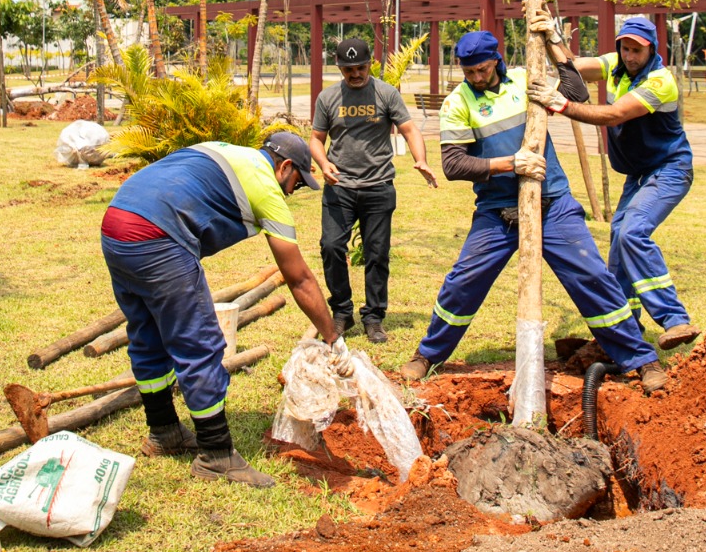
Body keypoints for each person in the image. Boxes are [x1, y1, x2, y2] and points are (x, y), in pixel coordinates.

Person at [401, 30, 665, 393]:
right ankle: (427, 355)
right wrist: (511, 163)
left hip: (553, 201)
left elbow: (577, 94)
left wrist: (554, 46)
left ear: (496, 59)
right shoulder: (458, 102)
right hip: (497, 210)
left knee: (592, 277)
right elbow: (454, 164)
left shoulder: (528, 79)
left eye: (481, 69)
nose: (476, 78)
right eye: (469, 72)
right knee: (463, 281)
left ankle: (641, 360)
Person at [99, 131, 351, 487]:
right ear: (285, 167)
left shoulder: (226, 150)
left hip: (116, 224)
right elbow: (300, 280)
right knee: (199, 342)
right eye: (297, 182)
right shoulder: (266, 188)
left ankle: (164, 432)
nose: (292, 192)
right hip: (157, 236)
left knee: (149, 334)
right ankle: (216, 455)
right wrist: (332, 336)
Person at [529, 11, 699, 351]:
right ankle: (626, 324)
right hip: (638, 175)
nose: (630, 56)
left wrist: (559, 104)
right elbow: (574, 68)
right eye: (625, 49)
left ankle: (675, 319)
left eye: (637, 50)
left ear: (651, 50)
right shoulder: (616, 64)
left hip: (669, 169)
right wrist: (553, 36)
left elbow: (613, 115)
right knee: (619, 241)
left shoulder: (660, 81)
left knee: (632, 231)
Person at [311, 36, 438, 344]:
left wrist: (420, 160)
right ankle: (342, 311)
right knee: (331, 247)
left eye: (360, 67)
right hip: (340, 186)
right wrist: (324, 163)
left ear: (370, 64)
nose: (355, 74)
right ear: (339, 68)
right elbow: (316, 138)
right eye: (347, 69)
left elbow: (409, 129)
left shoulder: (385, 93)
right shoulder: (327, 98)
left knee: (377, 254)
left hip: (378, 186)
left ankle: (374, 317)